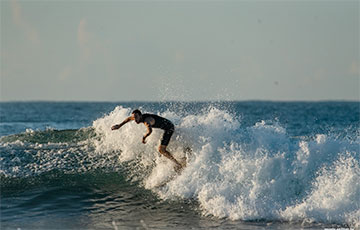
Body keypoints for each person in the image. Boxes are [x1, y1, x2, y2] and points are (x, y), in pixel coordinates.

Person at [111, 109, 184, 171]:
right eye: (134, 118)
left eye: (136, 118)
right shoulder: (137, 117)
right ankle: (179, 159)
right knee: (161, 148)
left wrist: (144, 137)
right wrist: (119, 126)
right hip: (166, 124)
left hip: (169, 128)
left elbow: (150, 131)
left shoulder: (147, 121)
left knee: (161, 150)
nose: (135, 120)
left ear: (140, 115)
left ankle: (178, 164)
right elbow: (129, 119)